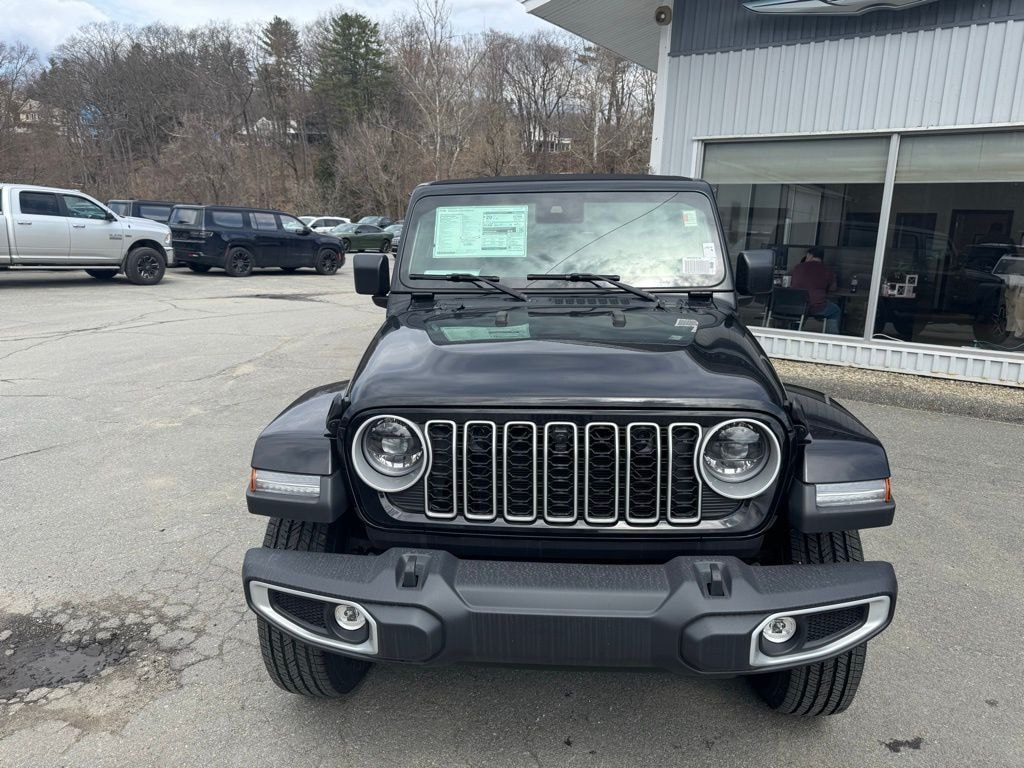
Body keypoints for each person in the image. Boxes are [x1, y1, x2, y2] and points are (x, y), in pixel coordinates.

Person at [790, 246, 841, 334]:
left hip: (797, 305)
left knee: (802, 311)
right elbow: (833, 288)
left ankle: (794, 331)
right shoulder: (827, 270)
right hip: (816, 307)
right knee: (835, 310)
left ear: (810, 255)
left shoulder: (798, 267)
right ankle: (832, 337)